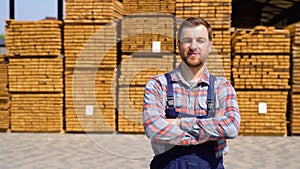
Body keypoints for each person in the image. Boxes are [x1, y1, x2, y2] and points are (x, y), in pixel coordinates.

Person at [142, 17, 240, 169]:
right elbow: (153, 128)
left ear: (209, 46)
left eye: (200, 40)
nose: (193, 46)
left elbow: (231, 127)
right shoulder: (158, 85)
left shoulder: (222, 87)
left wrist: (180, 123)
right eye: (187, 40)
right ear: (179, 45)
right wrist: (208, 132)